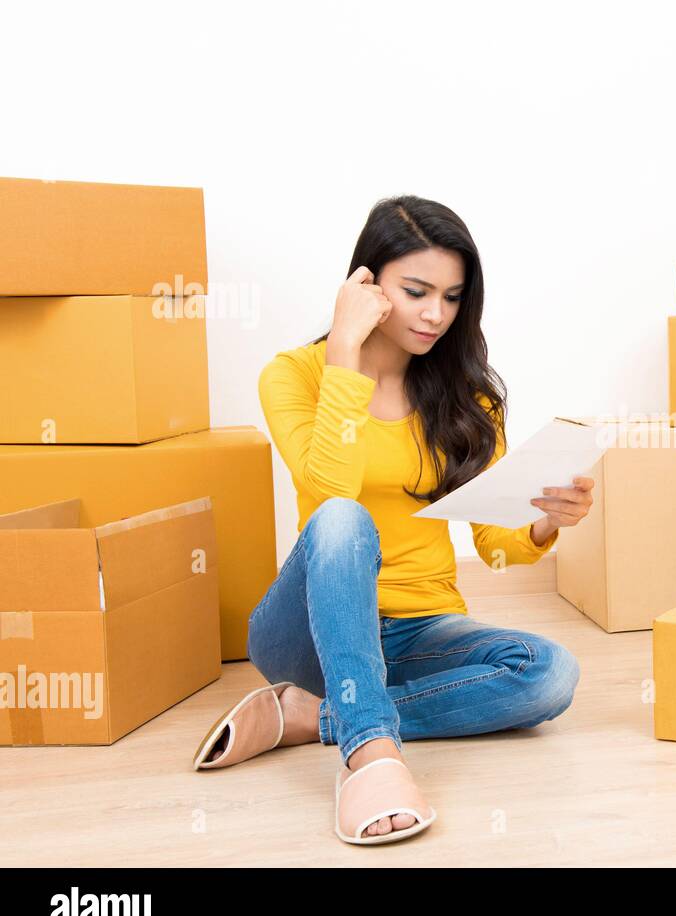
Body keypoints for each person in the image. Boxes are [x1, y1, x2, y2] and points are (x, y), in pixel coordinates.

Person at [191, 195, 594, 846]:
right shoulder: (293, 375)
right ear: (367, 285)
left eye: (453, 296)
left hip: (418, 629)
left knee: (549, 673)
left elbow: (495, 546)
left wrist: (546, 523)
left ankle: (316, 718)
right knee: (345, 518)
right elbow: (329, 493)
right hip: (311, 633)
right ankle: (371, 754)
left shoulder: (469, 397)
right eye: (416, 291)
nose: (436, 314)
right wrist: (345, 349)